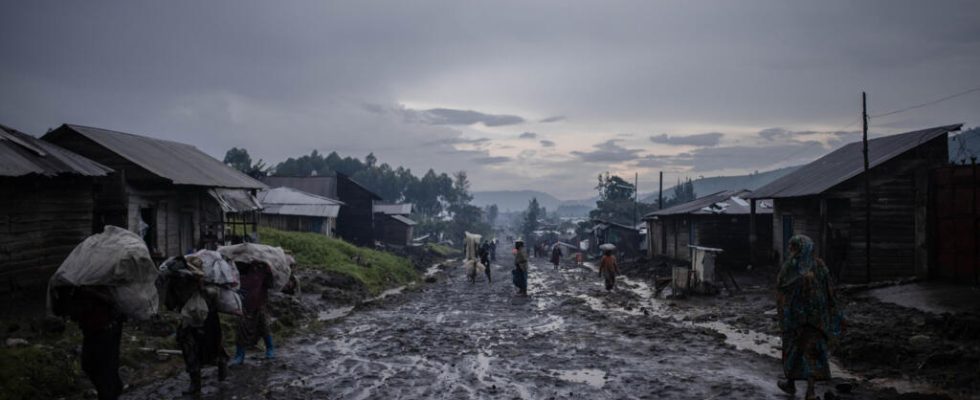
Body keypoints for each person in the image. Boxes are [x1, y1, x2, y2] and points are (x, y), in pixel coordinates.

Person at [776, 235, 843, 400]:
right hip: (817, 319)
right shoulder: (819, 265)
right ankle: (809, 390)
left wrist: (785, 311)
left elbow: (781, 288)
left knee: (794, 350)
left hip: (796, 319)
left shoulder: (792, 266)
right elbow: (830, 289)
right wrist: (831, 310)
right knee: (811, 353)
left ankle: (793, 384)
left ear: (797, 248)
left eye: (792, 247)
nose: (789, 250)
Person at [162, 258, 228, 395]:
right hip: (190, 321)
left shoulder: (202, 286)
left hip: (206, 321)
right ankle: (196, 383)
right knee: (190, 348)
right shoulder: (177, 282)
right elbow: (170, 303)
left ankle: (220, 366)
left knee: (210, 345)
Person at [56, 286, 124, 400]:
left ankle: (109, 392)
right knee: (90, 366)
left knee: (104, 369)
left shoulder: (99, 284)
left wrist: (91, 293)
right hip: (92, 332)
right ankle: (113, 388)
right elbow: (72, 314)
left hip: (107, 331)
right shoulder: (77, 289)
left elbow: (112, 301)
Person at [234, 261, 275, 364]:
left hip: (259, 303)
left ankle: (270, 349)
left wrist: (268, 273)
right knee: (241, 328)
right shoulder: (239, 267)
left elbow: (270, 284)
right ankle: (240, 355)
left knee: (264, 326)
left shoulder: (263, 268)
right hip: (243, 304)